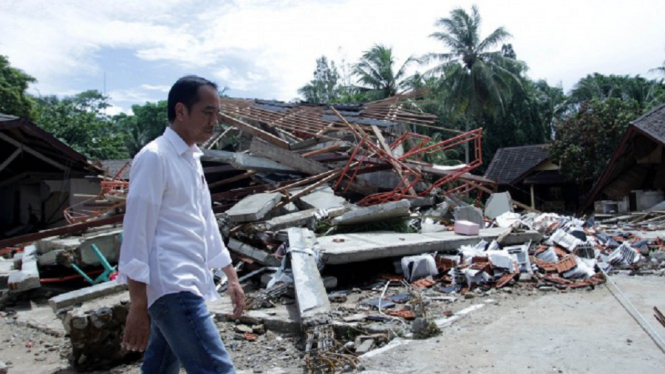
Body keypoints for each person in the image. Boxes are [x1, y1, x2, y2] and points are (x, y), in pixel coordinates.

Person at [119, 75, 245, 374]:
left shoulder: (191, 159)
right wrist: (137, 304)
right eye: (207, 112)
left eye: (217, 113)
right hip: (172, 285)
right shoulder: (154, 157)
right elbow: (136, 232)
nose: (215, 121)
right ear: (180, 110)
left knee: (160, 368)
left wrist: (231, 276)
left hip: (188, 279)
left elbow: (204, 221)